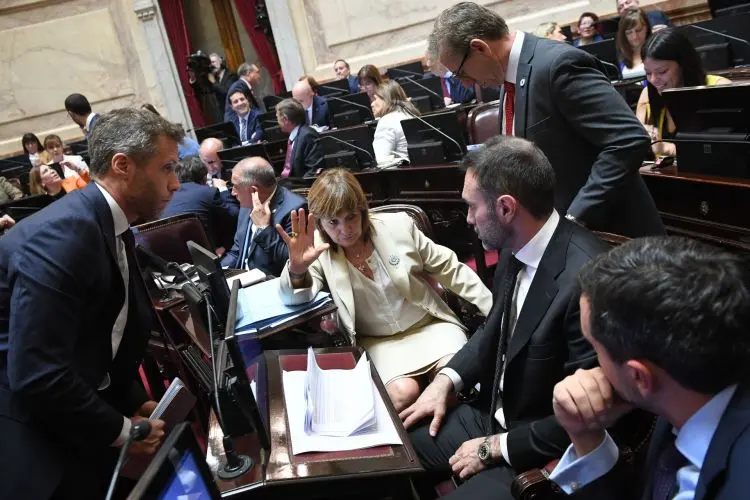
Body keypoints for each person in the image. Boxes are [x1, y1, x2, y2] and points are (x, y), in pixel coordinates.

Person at [400, 136, 609, 500]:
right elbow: (492, 327)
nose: (468, 219)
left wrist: (495, 448)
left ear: (506, 208)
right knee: (392, 452)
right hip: (490, 415)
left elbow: (588, 415)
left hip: (534, 449)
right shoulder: (516, 246)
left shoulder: (588, 281)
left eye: (471, 207)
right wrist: (445, 381)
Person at [0, 107, 181, 498]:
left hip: (75, 411)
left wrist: (132, 401)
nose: (176, 183)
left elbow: (99, 334)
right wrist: (123, 430)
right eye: (167, 168)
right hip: (35, 443)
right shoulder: (65, 234)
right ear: (123, 166)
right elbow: (37, 373)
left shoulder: (109, 223)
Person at [428, 1, 663, 238]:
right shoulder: (509, 80)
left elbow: (627, 140)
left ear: (480, 48)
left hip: (611, 236)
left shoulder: (558, 65)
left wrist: (575, 218)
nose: (466, 83)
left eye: (461, 73)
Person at [548, 236, 750, 499]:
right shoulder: (684, 398)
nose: (591, 368)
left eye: (595, 349)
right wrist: (586, 435)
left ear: (639, 377)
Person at [276, 168, 492, 410]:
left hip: (430, 326)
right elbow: (296, 297)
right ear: (320, 222)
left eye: (351, 217)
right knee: (402, 394)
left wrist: (495, 310)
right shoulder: (317, 249)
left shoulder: (397, 226)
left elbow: (450, 268)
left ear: (362, 210)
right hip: (378, 342)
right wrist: (297, 269)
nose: (345, 230)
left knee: (451, 382)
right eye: (333, 222)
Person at [637, 28, 731, 158]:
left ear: (683, 65)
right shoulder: (647, 95)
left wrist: (665, 148)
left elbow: (726, 151)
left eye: (662, 72)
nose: (653, 80)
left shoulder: (719, 89)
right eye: (648, 73)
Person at [221, 157, 306, 275]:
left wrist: (263, 228)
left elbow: (293, 260)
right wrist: (219, 271)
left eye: (236, 187)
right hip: (241, 277)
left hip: (269, 280)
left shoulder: (295, 209)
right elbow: (237, 251)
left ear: (253, 191)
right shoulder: (246, 205)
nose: (233, 192)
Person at [161, 156, 239, 249]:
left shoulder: (166, 195)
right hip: (202, 252)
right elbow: (234, 215)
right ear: (204, 178)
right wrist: (223, 188)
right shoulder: (208, 192)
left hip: (167, 249)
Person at [371, 80, 420, 164]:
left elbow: (382, 160)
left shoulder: (386, 122)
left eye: (375, 99)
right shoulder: (410, 113)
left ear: (386, 99)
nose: (372, 104)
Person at [276, 98, 324, 178]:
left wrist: (298, 184)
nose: (277, 122)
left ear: (285, 119)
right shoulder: (294, 136)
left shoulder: (308, 136)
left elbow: (314, 169)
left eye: (277, 118)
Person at [616, 8, 651, 79]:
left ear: (646, 28)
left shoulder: (657, 50)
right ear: (624, 35)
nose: (635, 36)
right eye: (629, 33)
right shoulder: (619, 56)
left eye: (638, 30)